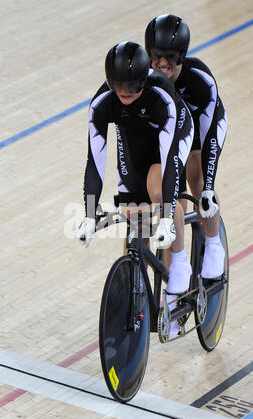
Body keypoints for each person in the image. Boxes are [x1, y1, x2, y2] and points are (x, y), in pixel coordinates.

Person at [76, 41, 194, 337]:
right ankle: (134, 293)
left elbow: (168, 160)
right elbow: (95, 162)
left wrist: (166, 213)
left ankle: (180, 265)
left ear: (144, 81)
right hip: (135, 142)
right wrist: (90, 213)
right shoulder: (102, 103)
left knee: (157, 191)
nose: (125, 92)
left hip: (172, 135)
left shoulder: (160, 95)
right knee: (133, 216)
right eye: (119, 86)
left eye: (132, 86)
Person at [145, 14, 227, 279]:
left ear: (181, 55)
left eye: (169, 56)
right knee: (171, 206)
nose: (161, 63)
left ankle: (214, 244)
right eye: (156, 56)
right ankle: (171, 290)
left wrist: (209, 189)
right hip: (169, 137)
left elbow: (210, 137)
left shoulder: (199, 80)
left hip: (203, 135)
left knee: (197, 177)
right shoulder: (144, 79)